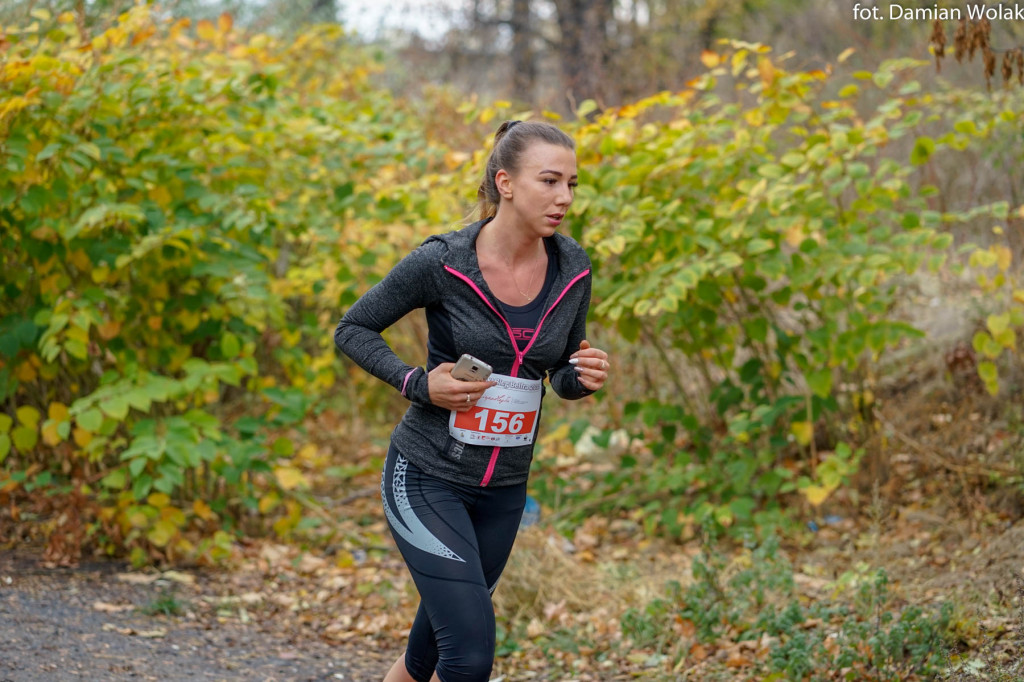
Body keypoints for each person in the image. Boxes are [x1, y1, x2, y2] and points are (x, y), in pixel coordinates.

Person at [334, 119, 609, 682]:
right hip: (426, 477)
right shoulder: (443, 261)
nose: (564, 198)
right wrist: (417, 383)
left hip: (504, 491)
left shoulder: (573, 267)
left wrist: (581, 377)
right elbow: (353, 328)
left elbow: (554, 371)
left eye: (572, 185)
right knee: (469, 657)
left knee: (428, 655)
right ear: (505, 183)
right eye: (550, 181)